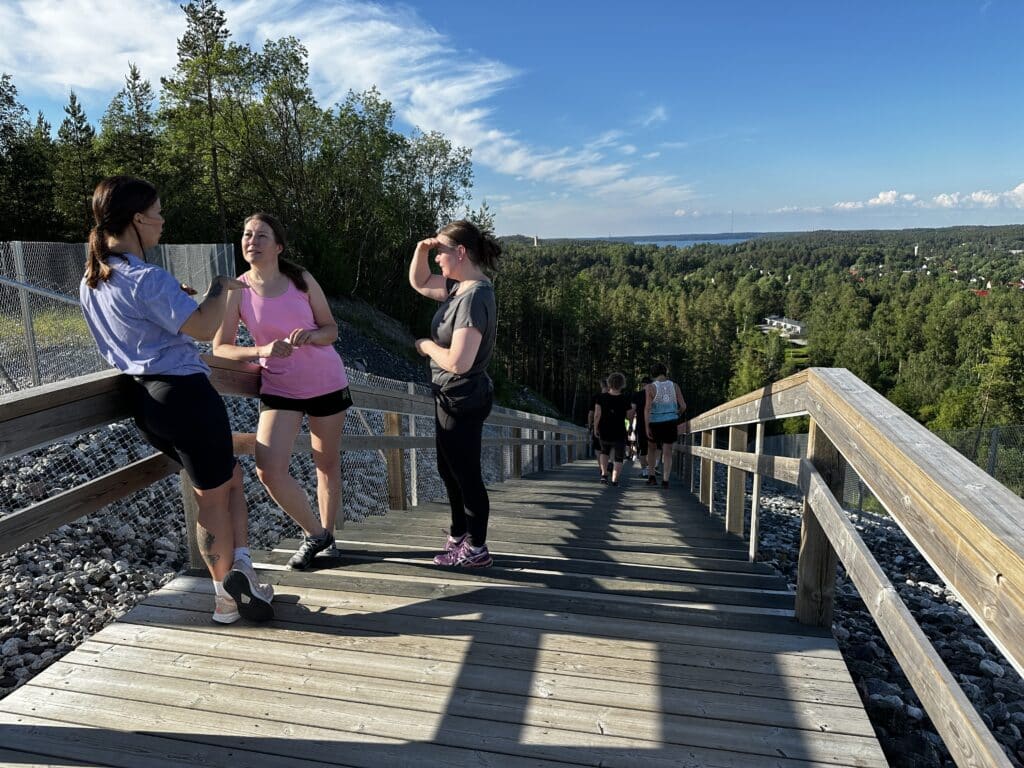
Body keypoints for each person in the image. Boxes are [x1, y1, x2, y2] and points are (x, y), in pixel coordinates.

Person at [79, 176, 273, 625]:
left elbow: (137, 330)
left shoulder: (92, 279)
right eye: (159, 213)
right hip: (185, 396)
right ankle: (226, 598)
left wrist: (178, 306)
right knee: (212, 497)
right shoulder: (146, 277)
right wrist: (219, 288)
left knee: (228, 477)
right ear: (138, 219)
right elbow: (205, 328)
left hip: (144, 402)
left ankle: (240, 568)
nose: (163, 222)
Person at [213, 213, 351, 570]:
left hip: (326, 381)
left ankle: (329, 539)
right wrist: (261, 351)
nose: (252, 241)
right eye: (247, 234)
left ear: (278, 246)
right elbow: (221, 348)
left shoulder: (300, 279)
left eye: (261, 236)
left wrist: (311, 336)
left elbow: (331, 329)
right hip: (279, 387)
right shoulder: (237, 290)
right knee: (268, 468)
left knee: (326, 463)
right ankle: (315, 533)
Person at [409, 220, 500, 568]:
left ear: (460, 252)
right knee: (449, 471)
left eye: (441, 253)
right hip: (449, 395)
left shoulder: (474, 296)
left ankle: (476, 549)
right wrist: (422, 248)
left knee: (466, 474)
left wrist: (426, 345)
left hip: (462, 395)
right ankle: (459, 536)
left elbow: (459, 362)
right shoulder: (459, 288)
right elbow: (418, 282)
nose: (437, 260)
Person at [644, 362, 687, 488]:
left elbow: (647, 408)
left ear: (653, 374)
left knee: (651, 449)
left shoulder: (650, 387)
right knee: (667, 451)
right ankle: (665, 480)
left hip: (655, 422)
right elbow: (683, 406)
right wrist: (676, 414)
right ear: (664, 372)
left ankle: (651, 477)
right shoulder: (674, 386)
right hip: (670, 422)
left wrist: (646, 426)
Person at [594, 372, 634, 486]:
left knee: (604, 452)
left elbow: (597, 414)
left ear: (609, 383)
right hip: (619, 429)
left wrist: (596, 427)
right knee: (619, 456)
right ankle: (615, 479)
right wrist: (630, 425)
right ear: (622, 384)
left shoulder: (601, 397)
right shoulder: (625, 398)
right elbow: (629, 415)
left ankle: (604, 475)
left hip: (604, 429)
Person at [632, 376, 653, 478]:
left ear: (642, 384)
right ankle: (653, 468)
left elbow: (632, 411)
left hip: (640, 424)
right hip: (654, 424)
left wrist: (630, 424)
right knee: (654, 447)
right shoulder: (654, 394)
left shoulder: (637, 395)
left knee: (642, 448)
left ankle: (645, 471)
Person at [587, 379, 609, 475]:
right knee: (609, 447)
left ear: (601, 385)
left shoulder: (596, 397)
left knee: (598, 448)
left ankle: (601, 468)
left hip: (598, 425)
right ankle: (608, 466)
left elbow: (591, 413)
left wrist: (590, 425)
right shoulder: (613, 396)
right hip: (611, 426)